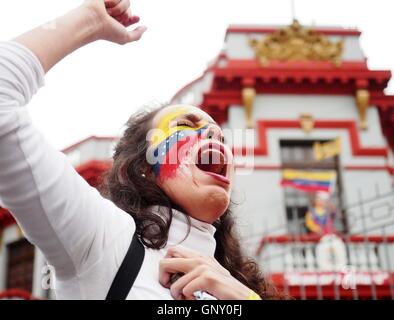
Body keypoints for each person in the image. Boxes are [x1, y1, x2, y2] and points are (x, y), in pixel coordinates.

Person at [0, 0, 280, 300]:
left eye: (218, 133)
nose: (213, 133)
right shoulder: (104, 241)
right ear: (141, 167)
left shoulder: (237, 287)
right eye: (185, 126)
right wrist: (89, 20)